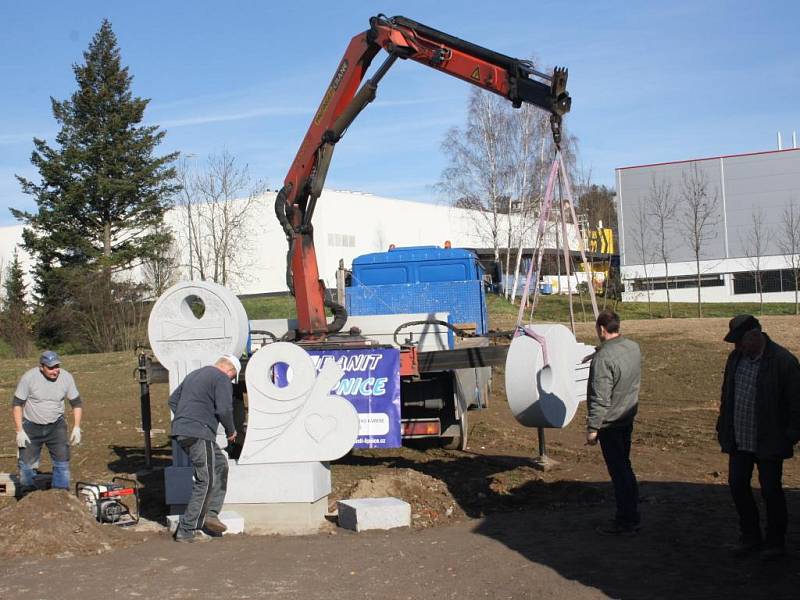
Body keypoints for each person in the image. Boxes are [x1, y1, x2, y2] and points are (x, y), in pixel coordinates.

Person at [717, 315, 800, 560]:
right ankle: (750, 537)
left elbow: (796, 403)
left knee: (771, 491)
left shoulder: (783, 362)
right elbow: (727, 394)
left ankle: (775, 542)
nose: (737, 347)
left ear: (755, 335)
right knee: (738, 486)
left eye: (740, 341)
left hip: (769, 440)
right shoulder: (735, 359)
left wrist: (791, 435)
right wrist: (723, 426)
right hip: (739, 439)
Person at [169, 354, 240, 543]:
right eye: (233, 377)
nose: (230, 380)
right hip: (199, 433)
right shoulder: (221, 378)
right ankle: (187, 529)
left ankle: (210, 514)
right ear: (230, 370)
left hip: (183, 432)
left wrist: (186, 418)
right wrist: (231, 430)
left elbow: (173, 400)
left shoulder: (194, 375)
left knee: (220, 465)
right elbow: (224, 409)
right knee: (205, 480)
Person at [586, 309, 642, 536]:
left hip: (610, 423)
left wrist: (592, 429)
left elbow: (600, 398)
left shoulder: (603, 360)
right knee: (625, 465)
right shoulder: (633, 347)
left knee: (619, 471)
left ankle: (627, 518)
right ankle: (631, 511)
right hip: (627, 415)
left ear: (601, 329)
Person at [13, 350, 82, 491]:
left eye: (57, 366)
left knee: (62, 462)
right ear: (41, 367)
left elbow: (76, 403)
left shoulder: (66, 378)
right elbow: (17, 404)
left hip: (56, 426)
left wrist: (77, 427)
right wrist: (20, 431)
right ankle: (28, 496)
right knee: (26, 464)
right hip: (31, 426)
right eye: (50, 367)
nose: (55, 370)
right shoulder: (29, 378)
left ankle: (61, 494)